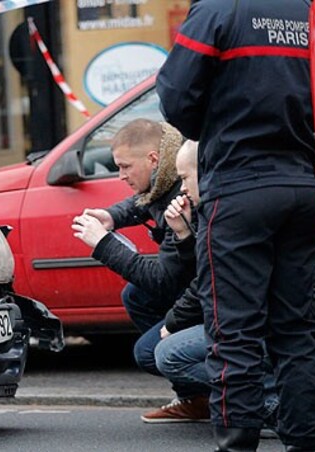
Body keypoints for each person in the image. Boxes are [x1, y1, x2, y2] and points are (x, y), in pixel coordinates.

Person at [157, 0, 315, 450]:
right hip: (302, 185)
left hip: (238, 190)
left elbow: (174, 97)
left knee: (234, 336)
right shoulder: (306, 10)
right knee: (296, 331)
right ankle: (305, 443)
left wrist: (215, 128)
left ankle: (237, 444)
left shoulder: (219, 9)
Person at [153, 141, 315, 434]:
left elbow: (211, 280)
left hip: (284, 320)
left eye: (185, 177)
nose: (182, 188)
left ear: (205, 171)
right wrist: (184, 233)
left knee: (171, 353)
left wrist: (174, 322)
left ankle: (270, 409)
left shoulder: (228, 211)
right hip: (303, 316)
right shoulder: (247, 197)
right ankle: (298, 423)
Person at [72, 119, 203, 421]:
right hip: (200, 288)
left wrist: (103, 244)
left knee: (150, 352)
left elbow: (162, 280)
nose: (120, 176)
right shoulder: (167, 176)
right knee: (136, 295)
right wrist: (110, 216)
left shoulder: (183, 194)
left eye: (125, 167)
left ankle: (256, 397)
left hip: (212, 298)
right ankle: (196, 398)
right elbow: (142, 203)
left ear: (153, 160)